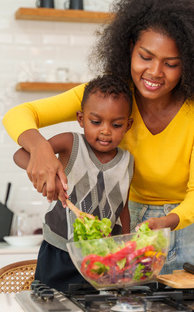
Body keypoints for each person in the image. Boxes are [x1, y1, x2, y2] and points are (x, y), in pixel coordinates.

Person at [3, 0, 194, 275]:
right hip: (131, 226)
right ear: (129, 47)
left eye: (171, 64)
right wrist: (40, 150)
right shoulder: (109, 99)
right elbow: (19, 114)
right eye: (146, 57)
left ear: (190, 64)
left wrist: (169, 221)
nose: (155, 72)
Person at [12, 74, 134, 291]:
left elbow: (123, 205)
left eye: (116, 124)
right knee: (51, 310)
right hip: (59, 252)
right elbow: (20, 156)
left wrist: (125, 245)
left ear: (128, 125)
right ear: (81, 119)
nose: (105, 130)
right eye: (96, 122)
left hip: (104, 259)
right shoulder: (70, 142)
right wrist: (47, 174)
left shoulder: (128, 161)